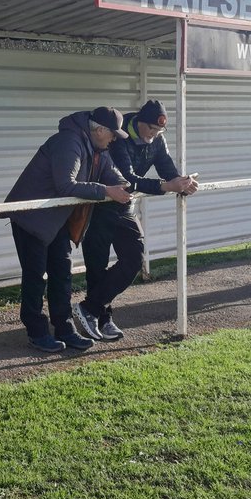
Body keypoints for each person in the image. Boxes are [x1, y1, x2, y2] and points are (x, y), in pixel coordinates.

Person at [2, 107, 133, 353]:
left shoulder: (98, 149)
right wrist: (106, 191)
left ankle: (65, 328)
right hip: (31, 217)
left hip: (57, 219)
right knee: (35, 277)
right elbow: (66, 185)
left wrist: (124, 186)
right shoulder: (68, 142)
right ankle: (37, 332)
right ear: (100, 130)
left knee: (62, 274)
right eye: (113, 134)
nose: (114, 139)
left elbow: (114, 177)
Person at [73, 100, 198, 342]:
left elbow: (167, 170)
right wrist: (166, 186)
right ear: (140, 121)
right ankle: (102, 317)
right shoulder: (119, 136)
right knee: (97, 266)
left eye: (159, 130)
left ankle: (91, 309)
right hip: (99, 206)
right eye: (151, 128)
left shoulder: (157, 139)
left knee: (134, 257)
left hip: (124, 207)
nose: (154, 134)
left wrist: (183, 183)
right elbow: (127, 179)